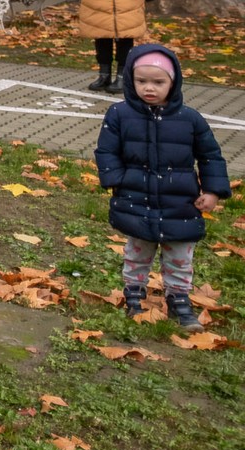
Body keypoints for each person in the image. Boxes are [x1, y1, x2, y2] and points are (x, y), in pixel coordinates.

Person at [96, 44, 230, 330]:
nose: (149, 88)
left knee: (180, 255)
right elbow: (106, 150)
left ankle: (179, 298)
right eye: (141, 81)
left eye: (158, 82)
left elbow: (210, 156)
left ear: (174, 82)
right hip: (135, 198)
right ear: (131, 80)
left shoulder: (190, 119)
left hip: (180, 203)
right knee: (137, 251)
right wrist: (115, 179)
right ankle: (133, 292)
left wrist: (212, 191)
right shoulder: (119, 114)